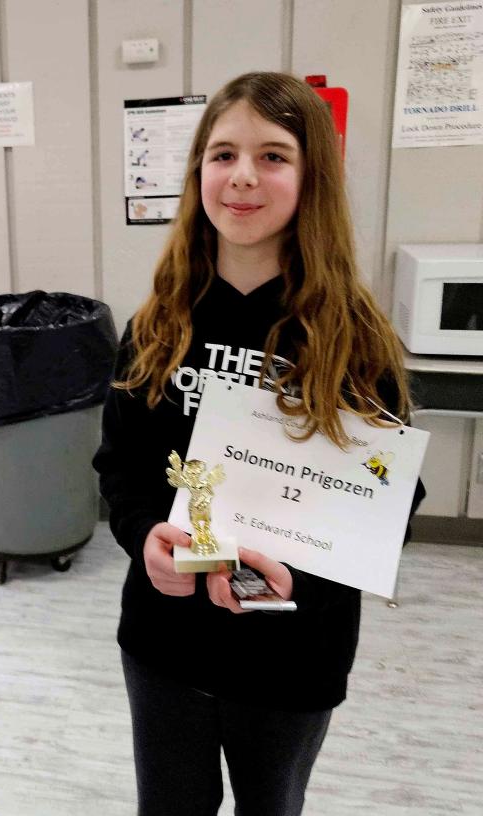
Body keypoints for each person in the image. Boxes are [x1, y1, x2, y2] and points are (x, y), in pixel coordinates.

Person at [93, 72, 426, 816]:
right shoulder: (157, 325)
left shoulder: (356, 338)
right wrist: (145, 535)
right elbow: (121, 469)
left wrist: (300, 567)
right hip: (166, 644)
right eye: (223, 154)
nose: (243, 175)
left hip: (292, 657)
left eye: (273, 155)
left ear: (311, 181)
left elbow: (391, 501)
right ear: (198, 174)